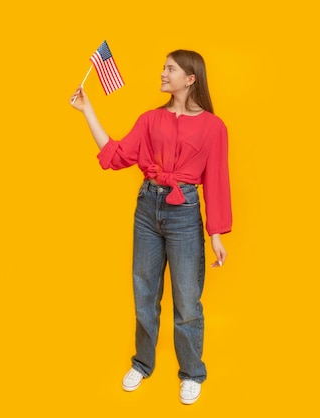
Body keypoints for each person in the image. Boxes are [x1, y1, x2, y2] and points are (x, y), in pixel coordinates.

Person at [69, 49, 232, 405]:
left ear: (190, 79)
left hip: (185, 211)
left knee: (187, 299)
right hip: (147, 207)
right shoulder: (149, 120)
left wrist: (215, 234)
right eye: (163, 67)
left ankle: (191, 373)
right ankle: (142, 364)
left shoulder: (213, 127)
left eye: (169, 69)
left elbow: (217, 181)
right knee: (144, 293)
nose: (162, 73)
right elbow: (115, 156)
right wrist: (88, 111)